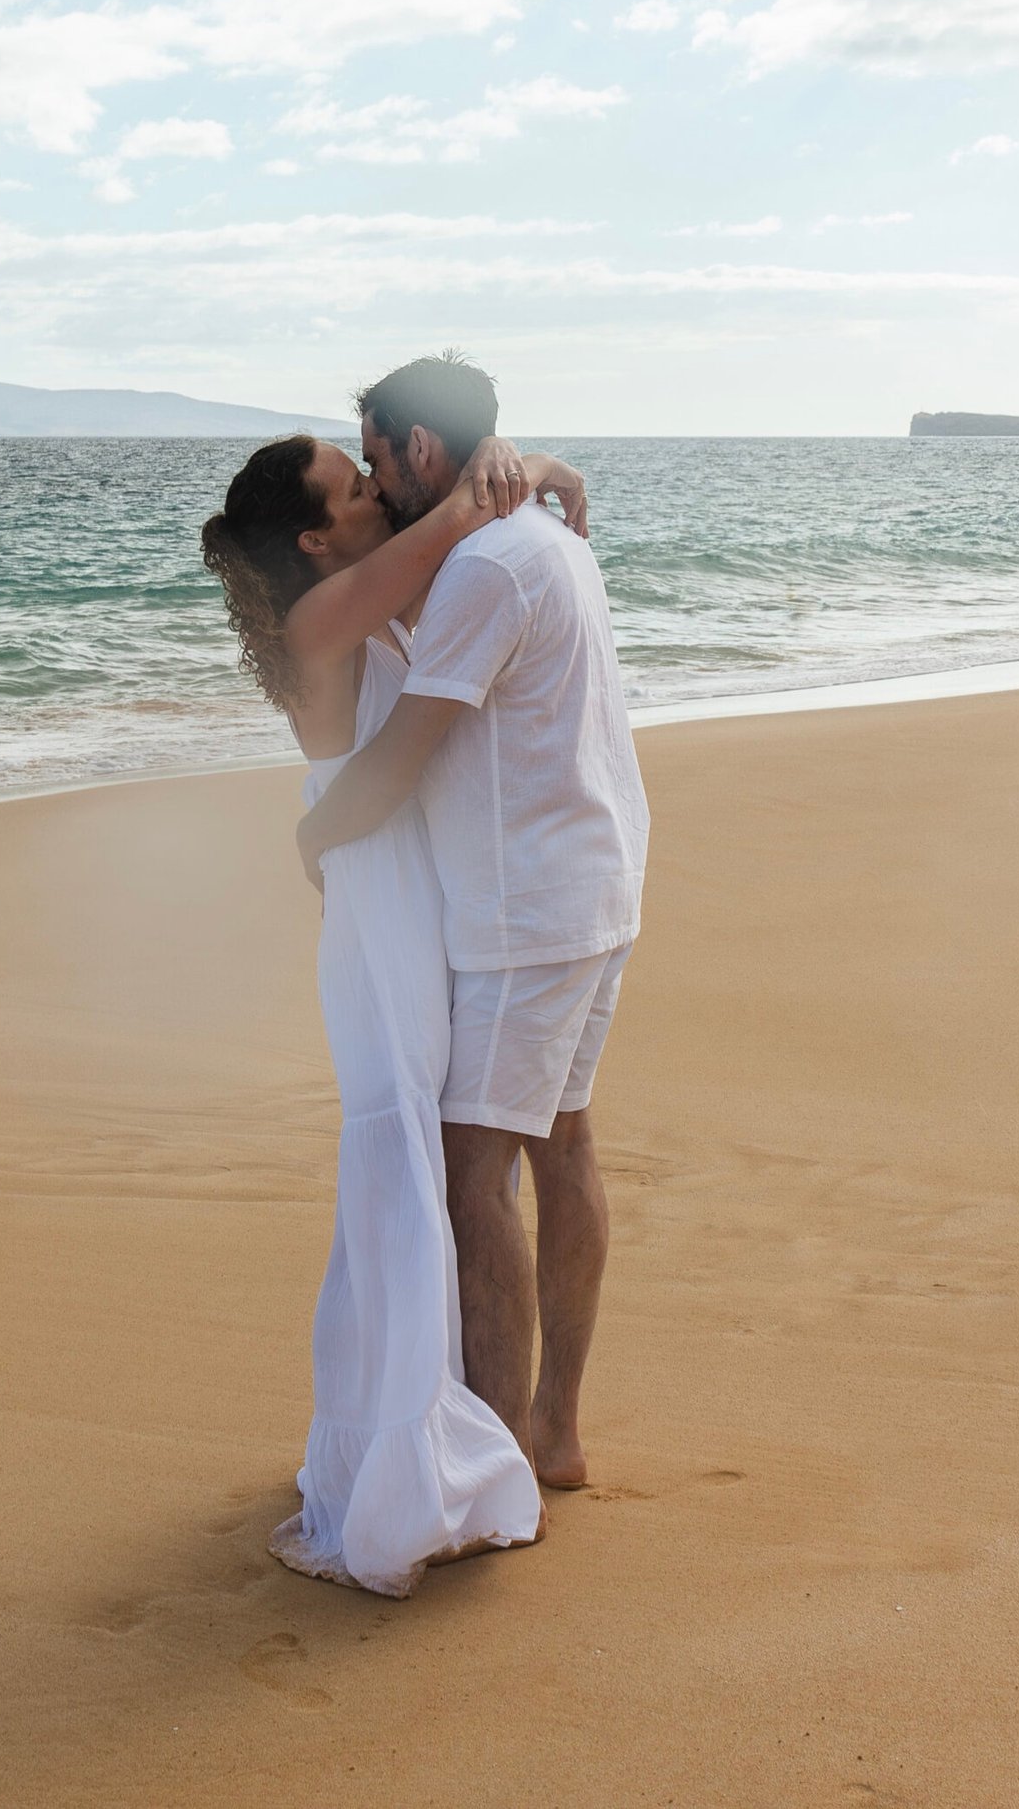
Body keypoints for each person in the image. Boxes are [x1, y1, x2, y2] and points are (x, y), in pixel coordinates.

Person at [201, 421, 587, 1596]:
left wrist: (536, 462)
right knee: (412, 1157)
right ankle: (415, 1459)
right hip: (380, 903)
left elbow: (477, 504)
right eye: (351, 487)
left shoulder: (357, 599)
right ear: (317, 541)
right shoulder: (325, 617)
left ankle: (427, 1432)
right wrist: (514, 467)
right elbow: (464, 511)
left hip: (412, 887)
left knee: (433, 1153)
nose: (375, 491)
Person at [297, 353, 650, 1493]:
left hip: (525, 908)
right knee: (564, 1144)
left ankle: (497, 1466)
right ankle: (552, 1431)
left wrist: (313, 836)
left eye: (375, 457)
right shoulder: (536, 536)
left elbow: (404, 755)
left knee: (472, 1173)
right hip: (594, 880)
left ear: (421, 449)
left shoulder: (486, 567)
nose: (371, 481)